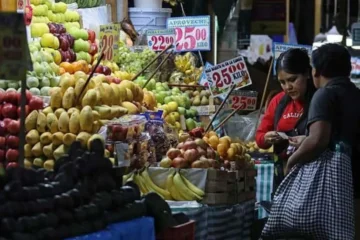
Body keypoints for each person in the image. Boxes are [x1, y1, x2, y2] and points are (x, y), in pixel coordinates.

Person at [262, 43, 360, 239]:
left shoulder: (324, 94)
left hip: (334, 187)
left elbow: (318, 141)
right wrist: (306, 139)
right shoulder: (355, 93)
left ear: (316, 72)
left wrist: (292, 161)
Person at [255, 48, 316, 188]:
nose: (288, 87)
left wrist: (308, 141)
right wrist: (266, 138)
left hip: (312, 176)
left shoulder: (319, 100)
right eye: (282, 82)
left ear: (307, 73)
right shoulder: (278, 101)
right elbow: (260, 138)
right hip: (283, 173)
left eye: (292, 80)